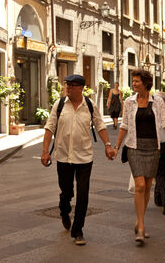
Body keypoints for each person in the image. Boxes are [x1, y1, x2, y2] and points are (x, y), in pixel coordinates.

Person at [41, 74, 115, 246]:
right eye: (67, 85)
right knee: (66, 192)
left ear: (81, 88)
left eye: (72, 86)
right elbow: (49, 127)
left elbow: (100, 126)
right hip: (63, 157)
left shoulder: (90, 105)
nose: (68, 88)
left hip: (84, 157)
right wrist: (45, 151)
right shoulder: (59, 105)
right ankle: (64, 210)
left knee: (83, 195)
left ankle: (78, 230)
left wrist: (108, 145)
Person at [112, 69, 165, 244]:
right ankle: (140, 227)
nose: (134, 84)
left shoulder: (157, 102)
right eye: (133, 81)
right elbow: (124, 125)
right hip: (134, 147)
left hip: (153, 148)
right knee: (139, 184)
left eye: (137, 81)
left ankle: (139, 221)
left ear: (146, 83)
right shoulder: (129, 102)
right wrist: (117, 146)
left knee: (147, 187)